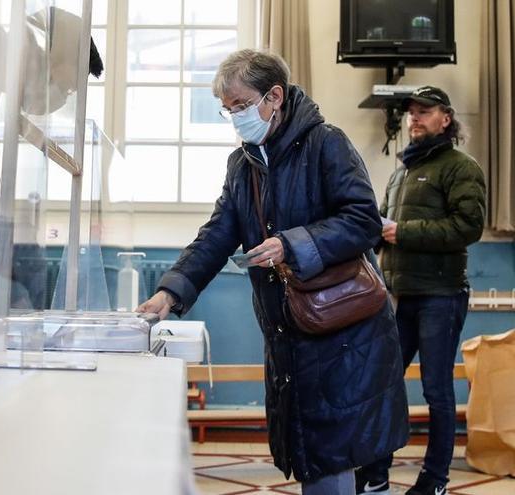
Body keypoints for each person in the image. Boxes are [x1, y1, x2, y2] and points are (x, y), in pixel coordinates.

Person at [137, 49, 409, 495]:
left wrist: (292, 244)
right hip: (292, 333)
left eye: (241, 106)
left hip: (344, 335)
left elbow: (363, 219)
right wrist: (170, 292)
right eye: (228, 110)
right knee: (318, 456)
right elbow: (216, 235)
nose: (235, 117)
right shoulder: (242, 165)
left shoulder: (327, 143)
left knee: (333, 457)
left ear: (275, 97)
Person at [359, 86, 486, 495]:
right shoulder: (402, 172)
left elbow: (468, 227)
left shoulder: (460, 167)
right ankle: (376, 473)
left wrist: (402, 232)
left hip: (441, 295)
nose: (415, 118)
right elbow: (382, 225)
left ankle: (435, 479)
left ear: (445, 119)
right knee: (385, 384)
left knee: (436, 390)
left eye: (424, 112)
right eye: (412, 112)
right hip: (400, 294)